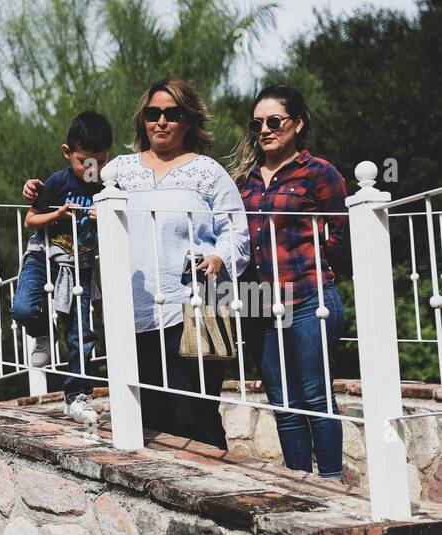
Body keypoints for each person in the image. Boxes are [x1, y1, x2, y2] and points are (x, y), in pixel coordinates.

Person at [24, 79, 250, 449]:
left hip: (202, 307)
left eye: (171, 114)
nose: (161, 121)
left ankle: (215, 495)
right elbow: (74, 183)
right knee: (148, 419)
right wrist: (37, 193)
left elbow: (235, 231)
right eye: (152, 113)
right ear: (142, 120)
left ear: (188, 121)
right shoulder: (119, 171)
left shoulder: (209, 172)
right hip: (133, 311)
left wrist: (218, 257)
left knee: (196, 413)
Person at [231, 85, 350, 480]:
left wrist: (310, 264)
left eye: (274, 121)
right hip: (260, 300)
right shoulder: (244, 181)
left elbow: (341, 233)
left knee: (315, 397)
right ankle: (299, 482)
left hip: (308, 296)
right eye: (257, 123)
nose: (264, 130)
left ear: (296, 124)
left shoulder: (319, 173)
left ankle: (331, 482)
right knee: (283, 401)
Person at [10, 111, 112, 427]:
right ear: (68, 153)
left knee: (81, 334)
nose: (91, 169)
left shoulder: (107, 185)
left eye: (100, 161)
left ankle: (78, 395)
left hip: (78, 267)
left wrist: (105, 216)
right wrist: (59, 214)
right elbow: (30, 220)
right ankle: (41, 331)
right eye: (84, 161)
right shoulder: (58, 182)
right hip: (42, 257)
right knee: (23, 308)